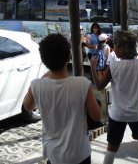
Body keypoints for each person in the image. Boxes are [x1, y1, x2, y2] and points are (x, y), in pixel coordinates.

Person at [22, 33, 101, 164]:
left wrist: (47, 73)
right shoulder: (82, 84)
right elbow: (97, 116)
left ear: (43, 59)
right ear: (69, 56)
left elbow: (28, 107)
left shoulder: (36, 85)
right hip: (80, 153)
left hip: (54, 155)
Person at [90, 30, 138, 164]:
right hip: (137, 114)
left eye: (116, 46)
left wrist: (93, 67)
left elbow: (99, 86)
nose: (114, 48)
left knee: (112, 146)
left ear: (123, 49)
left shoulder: (114, 66)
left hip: (117, 115)